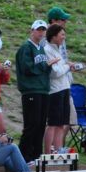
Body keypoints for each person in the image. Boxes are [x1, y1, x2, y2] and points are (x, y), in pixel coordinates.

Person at [15, 19, 60, 163]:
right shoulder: (26, 48)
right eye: (38, 29)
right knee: (32, 124)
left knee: (41, 124)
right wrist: (46, 65)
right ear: (32, 30)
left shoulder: (41, 48)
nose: (41, 32)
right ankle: (23, 156)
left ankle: (36, 155)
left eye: (43, 30)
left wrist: (47, 66)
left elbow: (43, 70)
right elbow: (28, 69)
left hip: (43, 90)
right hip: (31, 90)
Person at [43, 24, 75, 154]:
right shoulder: (47, 50)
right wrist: (67, 67)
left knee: (62, 123)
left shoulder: (59, 49)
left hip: (65, 88)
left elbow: (60, 69)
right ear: (54, 36)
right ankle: (47, 152)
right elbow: (54, 73)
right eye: (62, 34)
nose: (64, 37)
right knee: (53, 123)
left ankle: (58, 150)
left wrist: (67, 66)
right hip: (55, 90)